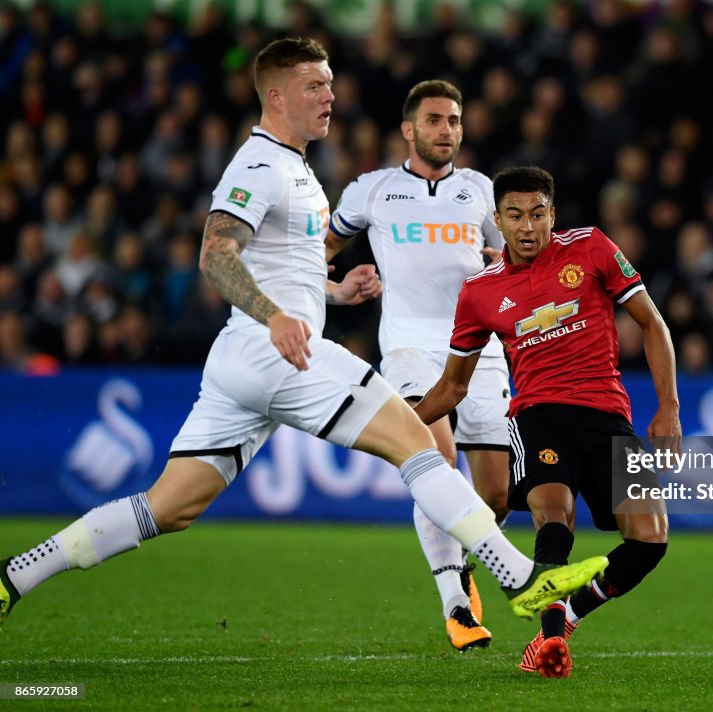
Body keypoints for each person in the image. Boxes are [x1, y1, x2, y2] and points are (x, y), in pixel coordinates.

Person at [0, 40, 607, 634]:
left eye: (331, 84)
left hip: (247, 358)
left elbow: (283, 266)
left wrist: (331, 294)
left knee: (168, 508)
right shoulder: (259, 165)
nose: (330, 96)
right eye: (315, 85)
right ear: (276, 94)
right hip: (273, 351)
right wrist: (276, 316)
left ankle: (15, 576)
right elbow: (216, 255)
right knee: (415, 441)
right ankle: (521, 579)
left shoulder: (297, 167)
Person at [415, 166, 680, 678]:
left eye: (538, 214)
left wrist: (668, 406)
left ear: (553, 215)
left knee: (650, 539)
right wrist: (390, 423)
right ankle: (553, 643)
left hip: (607, 414)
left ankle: (566, 619)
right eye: (515, 215)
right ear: (497, 221)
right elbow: (452, 387)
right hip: (539, 415)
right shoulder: (480, 293)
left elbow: (652, 322)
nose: (527, 226)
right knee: (554, 515)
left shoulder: (592, 248)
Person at [326, 79, 512, 652]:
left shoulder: (481, 191)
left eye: (454, 120)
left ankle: (468, 565)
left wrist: (504, 260)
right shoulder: (373, 190)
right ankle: (454, 601)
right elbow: (317, 249)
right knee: (435, 458)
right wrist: (336, 288)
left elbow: (519, 259)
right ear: (409, 129)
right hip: (409, 348)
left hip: (480, 350)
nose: (446, 130)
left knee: (497, 498)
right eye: (434, 120)